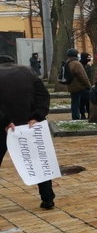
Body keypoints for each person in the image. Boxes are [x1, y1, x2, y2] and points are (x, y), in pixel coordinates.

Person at [0, 55, 55, 209]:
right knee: (39, 161)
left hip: (3, 127)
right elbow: (43, 96)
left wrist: (5, 121)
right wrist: (37, 116)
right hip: (29, 126)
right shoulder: (28, 72)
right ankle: (47, 198)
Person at [64, 48, 92, 120]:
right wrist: (89, 85)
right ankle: (78, 116)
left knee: (74, 102)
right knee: (84, 101)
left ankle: (75, 116)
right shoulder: (76, 63)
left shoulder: (67, 62)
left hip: (70, 86)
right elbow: (83, 76)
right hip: (79, 86)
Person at [79, 52, 94, 119]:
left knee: (86, 102)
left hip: (85, 86)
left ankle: (86, 114)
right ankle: (83, 114)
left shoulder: (87, 66)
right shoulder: (82, 66)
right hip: (83, 86)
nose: (89, 59)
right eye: (88, 58)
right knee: (83, 102)